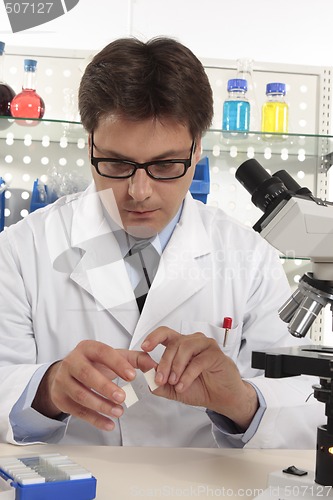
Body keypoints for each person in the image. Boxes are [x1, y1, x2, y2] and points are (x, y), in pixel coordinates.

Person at [0, 37, 323, 449]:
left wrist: (241, 401)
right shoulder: (21, 249)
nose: (139, 192)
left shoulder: (249, 257)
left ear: (197, 150)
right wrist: (46, 390)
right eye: (117, 163)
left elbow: (305, 401)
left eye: (166, 165)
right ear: (89, 145)